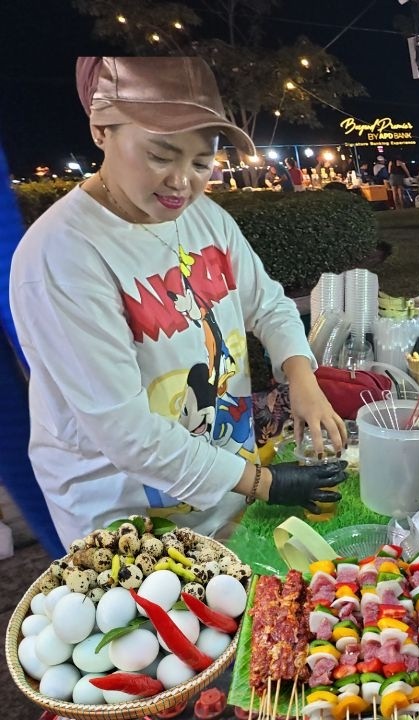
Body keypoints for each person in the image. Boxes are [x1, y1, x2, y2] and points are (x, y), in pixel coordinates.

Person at [11, 56, 348, 546]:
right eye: (161, 155)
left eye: (201, 163)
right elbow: (126, 432)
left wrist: (301, 377)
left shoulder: (205, 217)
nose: (182, 181)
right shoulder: (62, 254)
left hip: (227, 479)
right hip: (126, 517)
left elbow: (268, 304)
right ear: (101, 130)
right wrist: (266, 484)